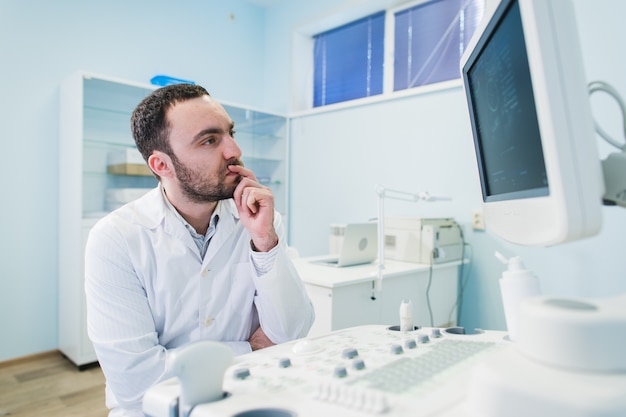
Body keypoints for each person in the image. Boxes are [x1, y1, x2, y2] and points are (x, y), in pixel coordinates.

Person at [84, 83, 315, 417]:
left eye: (230, 133)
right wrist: (250, 348)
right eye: (210, 140)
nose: (233, 150)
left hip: (249, 395)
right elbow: (137, 386)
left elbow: (292, 335)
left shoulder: (261, 220)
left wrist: (265, 243)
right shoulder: (115, 239)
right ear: (162, 165)